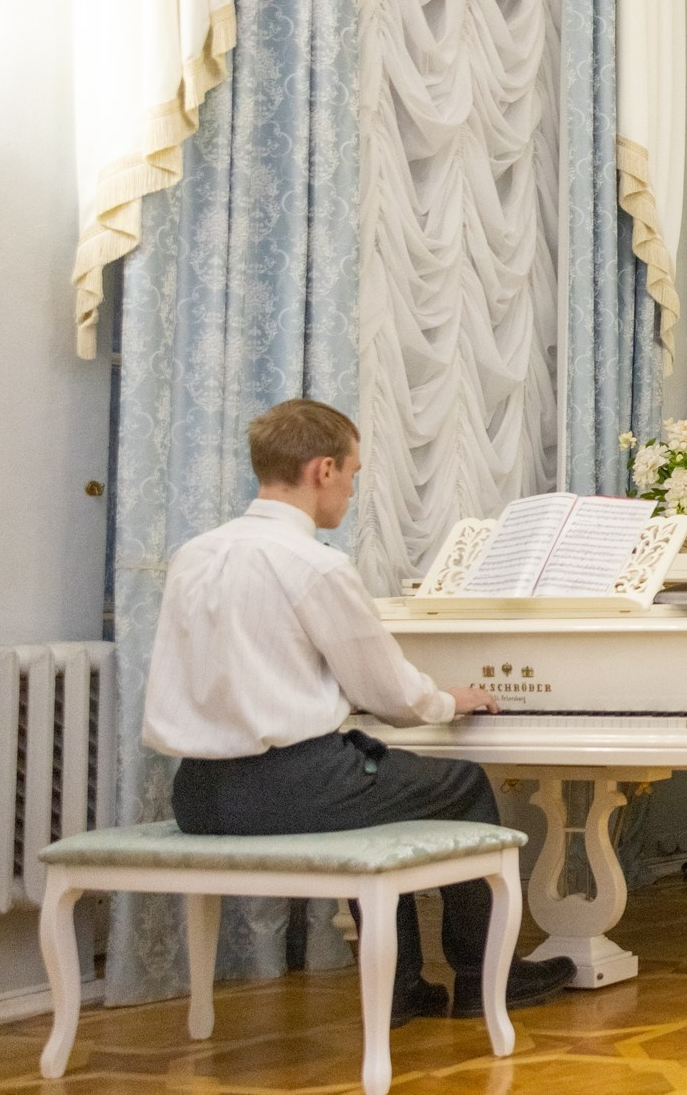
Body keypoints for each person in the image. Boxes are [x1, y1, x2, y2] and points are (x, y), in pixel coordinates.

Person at [142, 399, 576, 1022]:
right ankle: (485, 979)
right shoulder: (315, 565)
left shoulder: (195, 554)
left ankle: (403, 986)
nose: (351, 490)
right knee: (461, 784)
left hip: (199, 794)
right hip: (290, 787)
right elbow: (390, 694)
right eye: (352, 473)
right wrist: (447, 700)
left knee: (380, 794)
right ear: (323, 470)